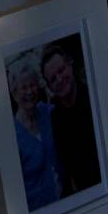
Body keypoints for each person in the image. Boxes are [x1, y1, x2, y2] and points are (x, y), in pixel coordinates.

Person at [40, 43, 102, 194]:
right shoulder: (54, 119)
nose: (59, 79)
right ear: (49, 86)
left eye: (61, 70)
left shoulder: (96, 98)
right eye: (53, 79)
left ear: (70, 65)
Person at [8, 55, 63, 211]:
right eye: (24, 88)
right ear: (14, 92)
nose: (30, 92)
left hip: (65, 198)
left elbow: (62, 106)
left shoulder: (45, 111)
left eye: (32, 85)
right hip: (39, 211)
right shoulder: (12, 135)